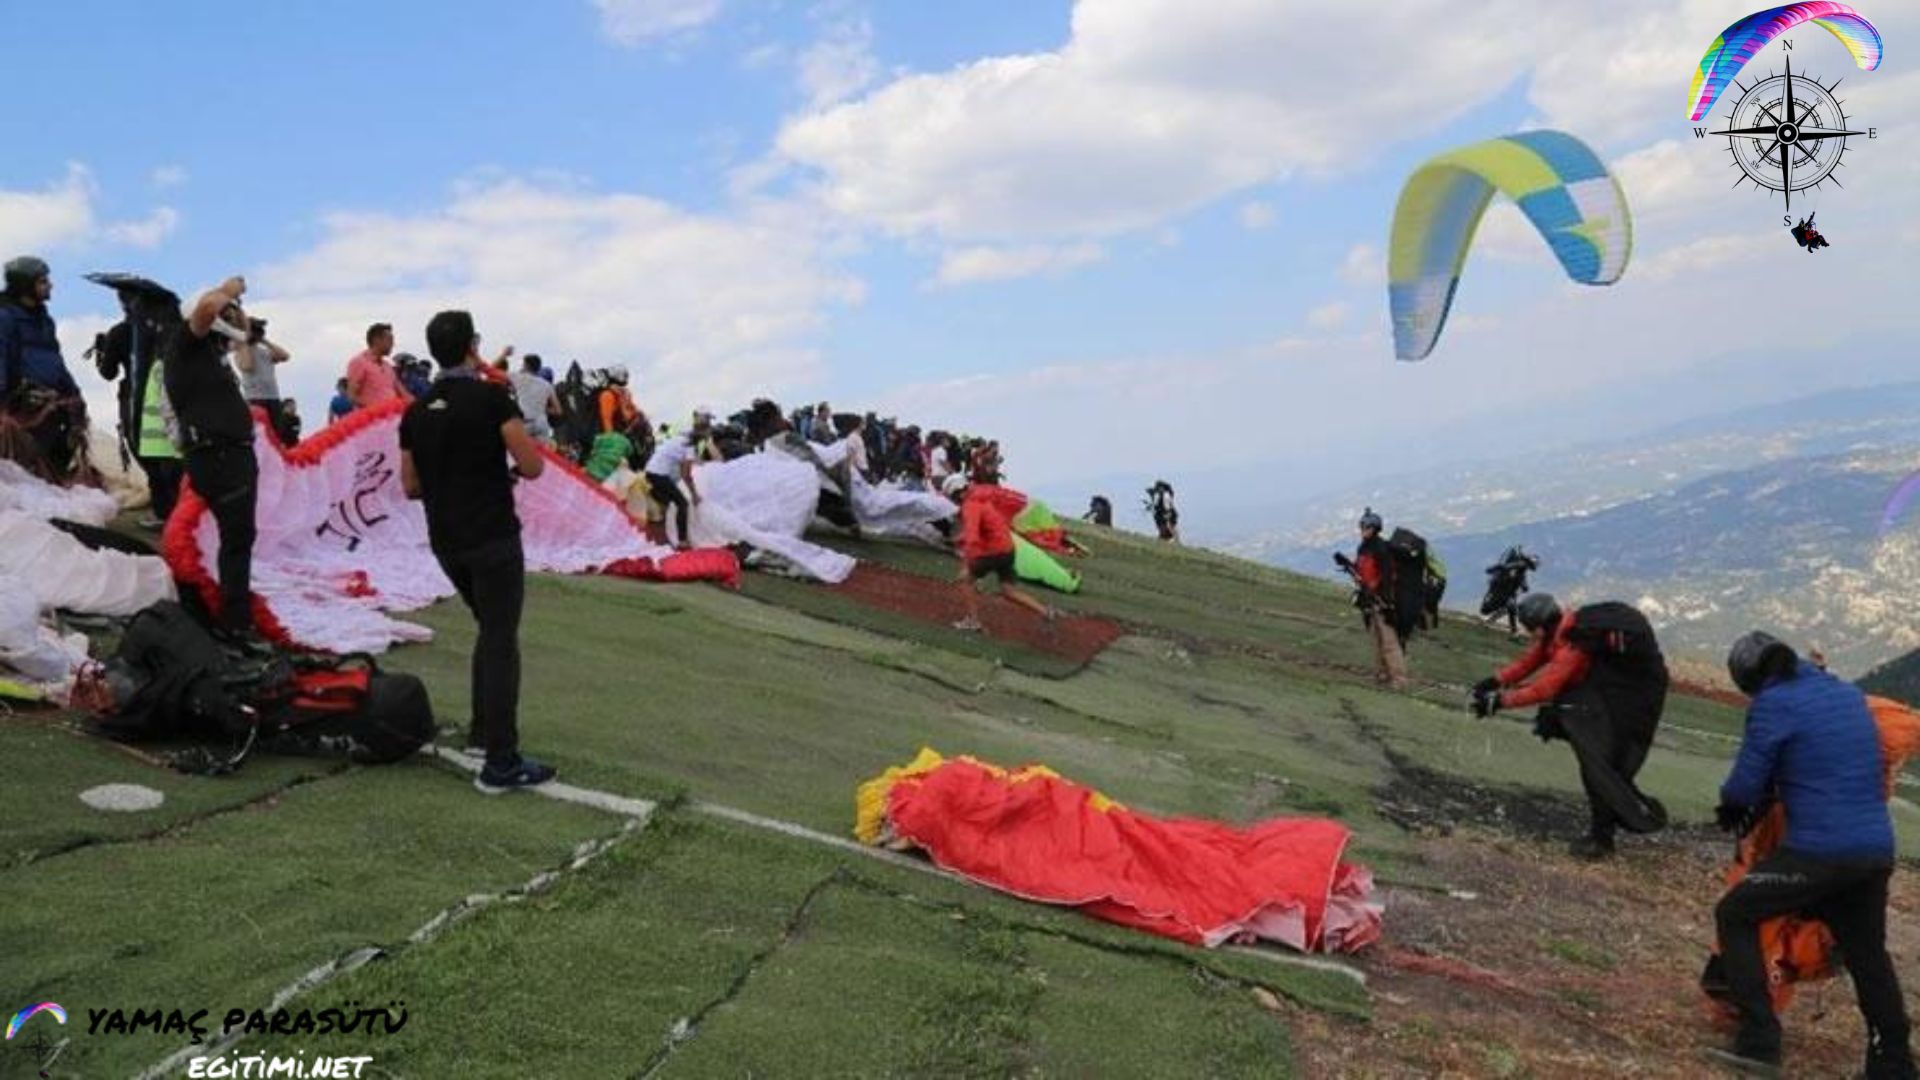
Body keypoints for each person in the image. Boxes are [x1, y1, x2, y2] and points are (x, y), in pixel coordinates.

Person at [1705, 632, 1912, 1077]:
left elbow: (1744, 786)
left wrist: (1730, 810)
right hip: (1874, 851)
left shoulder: (1773, 703)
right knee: (1867, 954)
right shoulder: (1843, 692)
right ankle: (1893, 1064)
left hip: (1818, 854)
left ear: (1752, 679)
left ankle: (1758, 1043)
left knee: (1736, 913)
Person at [399, 309, 554, 794]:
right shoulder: (491, 398)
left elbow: (410, 486)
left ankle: (482, 733)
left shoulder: (416, 412)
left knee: (489, 630)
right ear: (472, 346)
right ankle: (501, 763)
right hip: (492, 536)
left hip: (447, 542)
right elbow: (531, 467)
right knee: (501, 639)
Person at [1470, 593, 1668, 859]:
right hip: (1605, 696)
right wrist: (1495, 680)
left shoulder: (1575, 643)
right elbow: (1533, 660)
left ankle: (1607, 835)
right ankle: (1607, 828)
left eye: (1531, 630)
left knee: (1599, 767)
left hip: (1630, 703)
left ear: (1539, 626)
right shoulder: (1564, 627)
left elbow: (1546, 687)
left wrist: (1500, 702)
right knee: (1597, 765)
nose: (1532, 636)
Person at [166, 276, 264, 645]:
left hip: (228, 453)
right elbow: (207, 307)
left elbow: (242, 339)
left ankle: (228, 615)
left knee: (238, 538)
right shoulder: (186, 345)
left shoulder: (208, 355)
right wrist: (230, 289)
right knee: (236, 540)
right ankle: (234, 622)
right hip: (219, 456)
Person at [90, 285, 185, 524]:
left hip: (136, 402)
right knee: (175, 456)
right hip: (174, 399)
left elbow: (108, 372)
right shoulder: (172, 329)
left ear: (123, 304)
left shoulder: (120, 332)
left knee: (149, 458)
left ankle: (166, 513)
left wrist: (102, 351)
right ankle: (183, 509)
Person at [0, 255, 90, 484]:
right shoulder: (5, 317)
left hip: (51, 409)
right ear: (25, 285)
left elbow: (55, 360)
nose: (50, 285)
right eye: (43, 281)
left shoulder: (45, 320)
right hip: (22, 410)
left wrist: (74, 393)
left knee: (52, 467)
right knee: (24, 472)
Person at [946, 473, 1054, 632]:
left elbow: (973, 537)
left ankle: (973, 621)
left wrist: (967, 563)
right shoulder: (981, 500)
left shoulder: (970, 506)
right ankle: (1045, 612)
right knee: (1008, 590)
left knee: (964, 581)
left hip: (993, 552)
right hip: (1008, 550)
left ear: (958, 494)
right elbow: (986, 527)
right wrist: (958, 539)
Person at [1344, 508, 1408, 690]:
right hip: (1368, 598)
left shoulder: (1381, 548)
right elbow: (1361, 571)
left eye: (1365, 526)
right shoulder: (1363, 547)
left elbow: (1387, 576)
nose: (1362, 529)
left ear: (1374, 528)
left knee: (1389, 641)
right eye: (1361, 526)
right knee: (1375, 639)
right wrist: (1348, 565)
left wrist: (1386, 600)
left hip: (1382, 600)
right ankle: (1382, 674)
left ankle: (1399, 679)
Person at [643, 409, 709, 549]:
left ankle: (664, 535)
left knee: (669, 503)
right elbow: (686, 475)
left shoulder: (680, 438)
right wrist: (694, 494)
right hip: (658, 474)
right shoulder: (689, 447)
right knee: (682, 504)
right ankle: (682, 541)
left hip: (650, 470)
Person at [233, 317, 296, 446]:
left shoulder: (264, 351)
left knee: (277, 435)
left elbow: (285, 356)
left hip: (273, 398)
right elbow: (247, 365)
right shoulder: (240, 351)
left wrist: (264, 341)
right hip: (255, 398)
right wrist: (245, 340)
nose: (257, 333)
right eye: (254, 330)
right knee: (259, 436)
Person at [346, 322, 407, 408]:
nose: (393, 344)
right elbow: (351, 396)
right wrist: (377, 408)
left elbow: (404, 394)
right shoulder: (359, 362)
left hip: (391, 417)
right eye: (389, 340)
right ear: (377, 340)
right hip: (372, 418)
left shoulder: (388, 367)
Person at [507, 353, 560, 446]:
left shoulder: (518, 377)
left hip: (525, 423)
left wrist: (504, 354)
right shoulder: (547, 385)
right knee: (543, 457)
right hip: (541, 423)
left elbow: (491, 370)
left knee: (520, 454)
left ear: (526, 366)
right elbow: (558, 411)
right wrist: (541, 408)